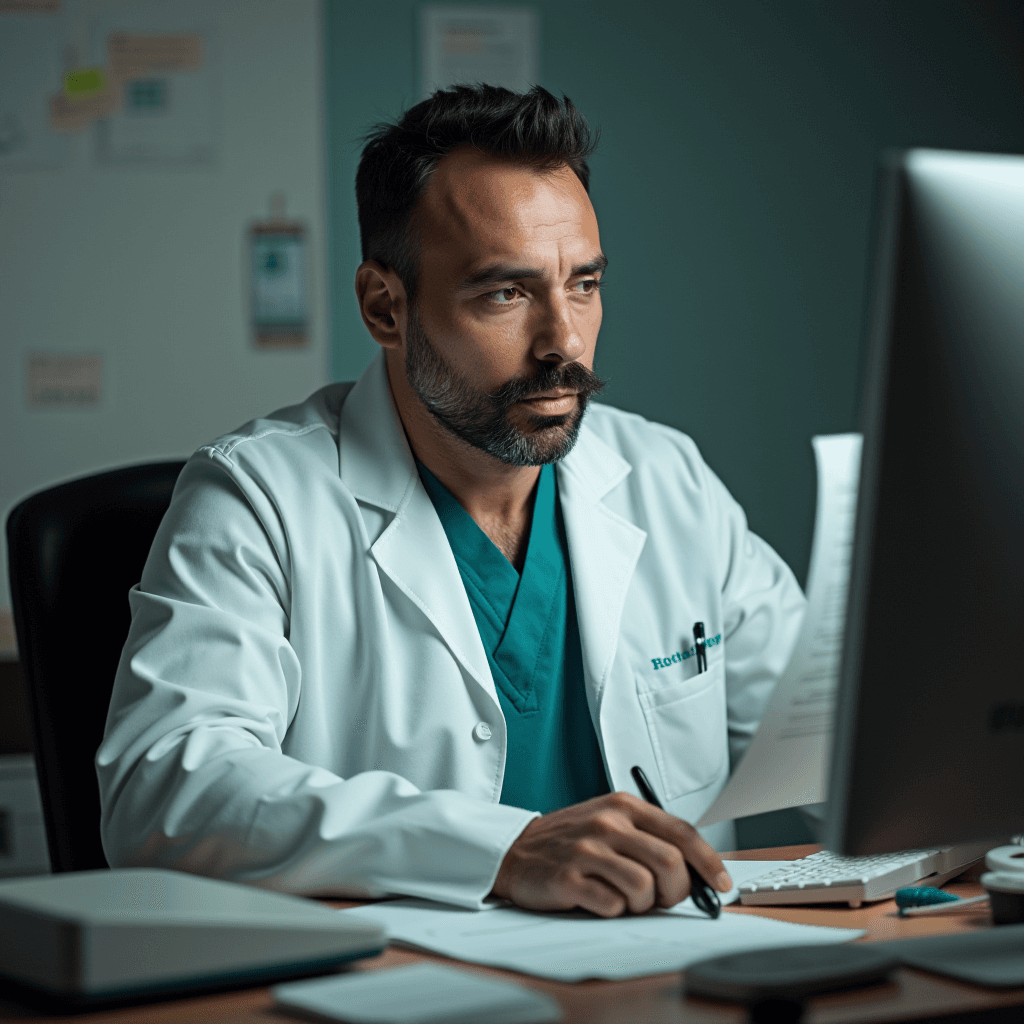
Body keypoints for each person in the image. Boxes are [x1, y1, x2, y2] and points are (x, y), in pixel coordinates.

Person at [97, 85, 805, 919]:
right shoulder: (258, 499)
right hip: (399, 994)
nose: (563, 344)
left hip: (669, 979)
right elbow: (165, 790)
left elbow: (827, 731)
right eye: (506, 294)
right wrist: (496, 849)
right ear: (383, 307)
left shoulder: (666, 478)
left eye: (583, 284)